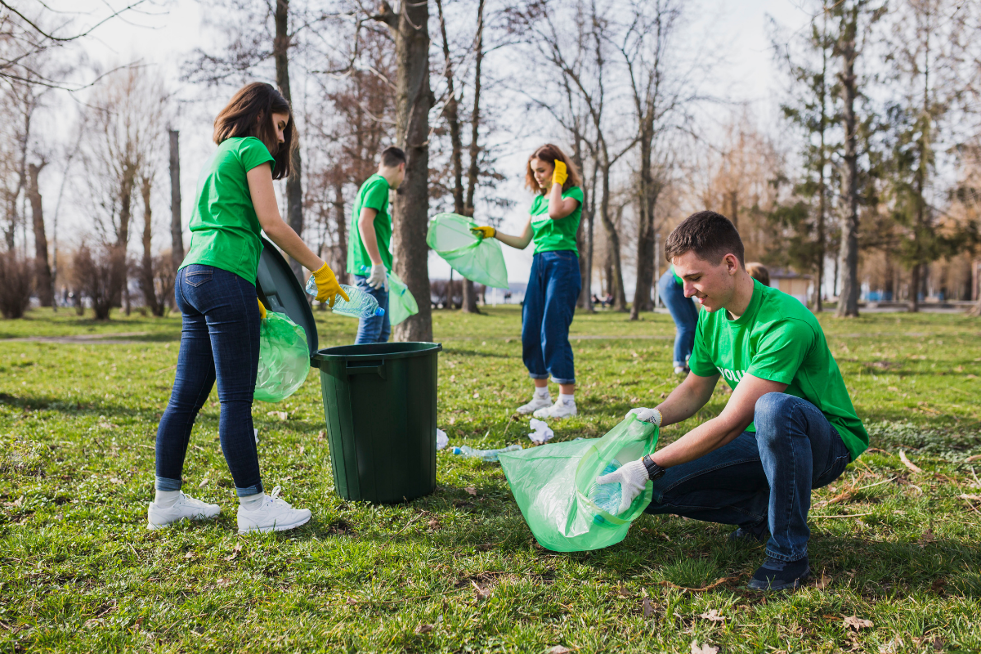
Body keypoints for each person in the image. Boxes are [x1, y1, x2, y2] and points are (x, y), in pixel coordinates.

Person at [597, 211, 868, 591]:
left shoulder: (785, 323)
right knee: (650, 492)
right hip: (761, 438)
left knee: (774, 408)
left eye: (694, 278)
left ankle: (788, 555)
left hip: (820, 444)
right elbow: (694, 388)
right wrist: (654, 416)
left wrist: (649, 463)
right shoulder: (713, 313)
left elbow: (731, 423)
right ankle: (760, 513)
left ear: (729, 264)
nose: (687, 292)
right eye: (682, 281)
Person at [148, 83, 348, 534]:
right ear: (260, 116)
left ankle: (166, 500)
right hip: (222, 278)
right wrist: (319, 268)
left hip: (193, 274)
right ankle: (254, 508)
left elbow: (231, 227)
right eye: (280, 127)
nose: (280, 140)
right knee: (235, 402)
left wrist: (250, 295)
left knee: (184, 400)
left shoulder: (219, 154)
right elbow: (270, 223)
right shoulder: (252, 148)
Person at [472, 144, 583, 420]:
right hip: (539, 263)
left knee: (553, 328)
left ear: (558, 168)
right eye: (534, 172)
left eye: (543, 171)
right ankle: (541, 396)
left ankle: (567, 401)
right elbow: (523, 242)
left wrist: (558, 181)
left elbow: (557, 212)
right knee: (531, 327)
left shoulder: (572, 193)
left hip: (563, 263)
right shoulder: (536, 202)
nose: (538, 177)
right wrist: (493, 233)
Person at [346, 147, 407, 344]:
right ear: (401, 167)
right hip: (371, 271)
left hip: (371, 269)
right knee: (371, 331)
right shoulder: (380, 185)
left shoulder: (371, 184)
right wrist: (377, 263)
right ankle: (357, 375)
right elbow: (364, 222)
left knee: (381, 332)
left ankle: (376, 375)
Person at [658, 261, 698, 375]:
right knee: (685, 327)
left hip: (678, 284)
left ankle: (692, 361)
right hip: (670, 284)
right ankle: (679, 365)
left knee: (695, 323)